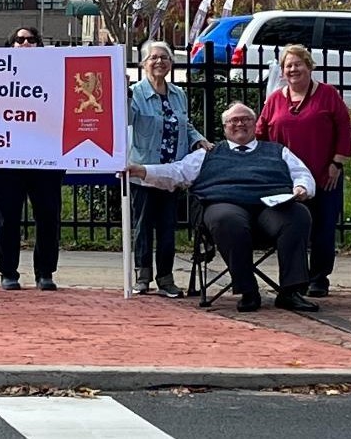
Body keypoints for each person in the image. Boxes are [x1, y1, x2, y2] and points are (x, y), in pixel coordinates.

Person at [126, 101, 320, 313]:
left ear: (255, 124)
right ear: (225, 127)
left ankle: (290, 292)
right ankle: (248, 291)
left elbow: (302, 173)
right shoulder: (207, 154)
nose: (240, 124)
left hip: (270, 207)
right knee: (226, 219)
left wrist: (302, 188)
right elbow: (177, 172)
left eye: (245, 119)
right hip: (225, 205)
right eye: (233, 121)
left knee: (298, 215)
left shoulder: (277, 151)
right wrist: (143, 171)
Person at [256, 44, 351, 298]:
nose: (293, 69)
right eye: (288, 65)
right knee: (294, 228)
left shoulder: (328, 94)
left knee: (323, 228)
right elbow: (261, 133)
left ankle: (318, 278)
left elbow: (345, 128)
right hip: (287, 180)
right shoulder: (274, 99)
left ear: (309, 66)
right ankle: (295, 280)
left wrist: (337, 163)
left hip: (324, 175)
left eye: (298, 64)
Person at [129, 40, 211, 298]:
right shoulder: (135, 93)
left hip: (172, 171)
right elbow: (126, 121)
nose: (159, 62)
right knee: (143, 226)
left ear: (171, 64)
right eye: (153, 58)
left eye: (164, 58)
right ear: (143, 64)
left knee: (167, 227)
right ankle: (142, 277)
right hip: (143, 169)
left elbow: (184, 124)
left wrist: (199, 139)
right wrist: (120, 96)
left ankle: (166, 278)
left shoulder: (178, 94)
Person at [0, 26, 65, 291]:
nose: (26, 43)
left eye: (32, 40)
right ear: (11, 45)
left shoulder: (54, 74)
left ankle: (45, 272)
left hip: (46, 157)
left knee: (48, 216)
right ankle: (8, 272)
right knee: (6, 218)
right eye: (20, 40)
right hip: (5, 159)